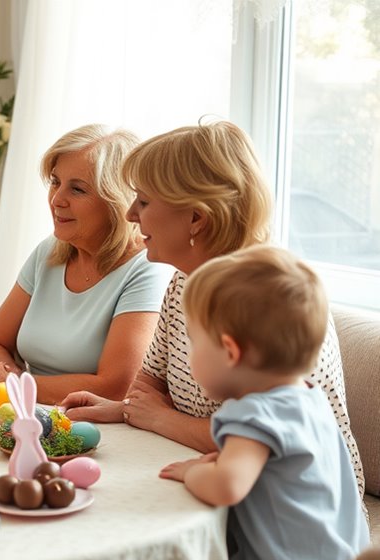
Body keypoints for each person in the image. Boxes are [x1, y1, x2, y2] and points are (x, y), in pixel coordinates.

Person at [61, 120, 365, 498]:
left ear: (196, 218)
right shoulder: (183, 282)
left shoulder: (269, 294)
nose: (130, 215)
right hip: (226, 479)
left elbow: (255, 435)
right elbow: (150, 381)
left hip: (299, 504)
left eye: (143, 201)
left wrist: (160, 418)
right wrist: (124, 408)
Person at [159, 245, 367, 560]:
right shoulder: (311, 400)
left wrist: (193, 473)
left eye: (194, 341)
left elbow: (227, 486)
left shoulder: (252, 414)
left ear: (230, 352)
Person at [0, 124, 173, 404]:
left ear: (116, 201)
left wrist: (14, 385)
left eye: (78, 190)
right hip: (30, 414)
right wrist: (14, 387)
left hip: (99, 427)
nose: (57, 199)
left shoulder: (147, 267)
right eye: (55, 182)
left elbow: (116, 386)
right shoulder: (50, 251)